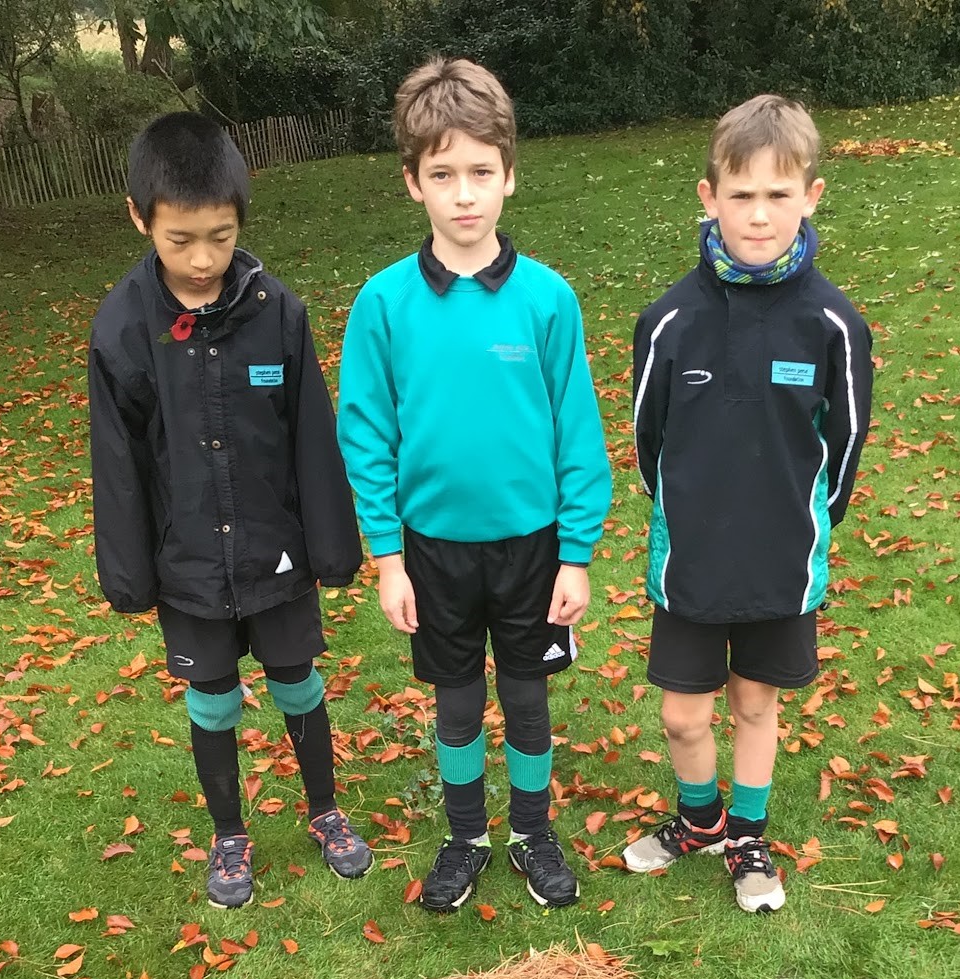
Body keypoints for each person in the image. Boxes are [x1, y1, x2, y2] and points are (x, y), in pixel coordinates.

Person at [338, 57, 612, 913]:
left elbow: (579, 430)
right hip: (432, 552)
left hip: (533, 548)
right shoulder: (382, 305)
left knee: (526, 701)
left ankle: (533, 833)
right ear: (412, 182)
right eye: (443, 175)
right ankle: (465, 836)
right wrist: (388, 557)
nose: (465, 195)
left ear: (510, 175)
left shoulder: (547, 300)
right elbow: (367, 435)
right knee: (458, 707)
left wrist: (576, 554)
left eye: (481, 173)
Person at [88, 112, 371, 911]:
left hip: (275, 551)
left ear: (241, 220)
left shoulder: (276, 310)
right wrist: (130, 575)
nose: (204, 258)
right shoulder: (120, 330)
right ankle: (229, 833)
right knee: (211, 695)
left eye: (220, 235)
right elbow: (118, 463)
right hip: (186, 563)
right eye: (181, 240)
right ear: (141, 219)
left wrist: (331, 546)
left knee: (296, 680)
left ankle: (325, 810)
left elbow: (312, 436)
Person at [623, 94, 873, 912]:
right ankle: (699, 821)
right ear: (709, 198)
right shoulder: (668, 322)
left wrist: (805, 526)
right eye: (741, 195)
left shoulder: (833, 324)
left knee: (755, 702)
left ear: (810, 196)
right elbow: (646, 444)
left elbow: (845, 447)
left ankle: (750, 834)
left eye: (777, 194)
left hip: (779, 562)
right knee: (685, 717)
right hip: (693, 560)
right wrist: (686, 513)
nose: (758, 215)